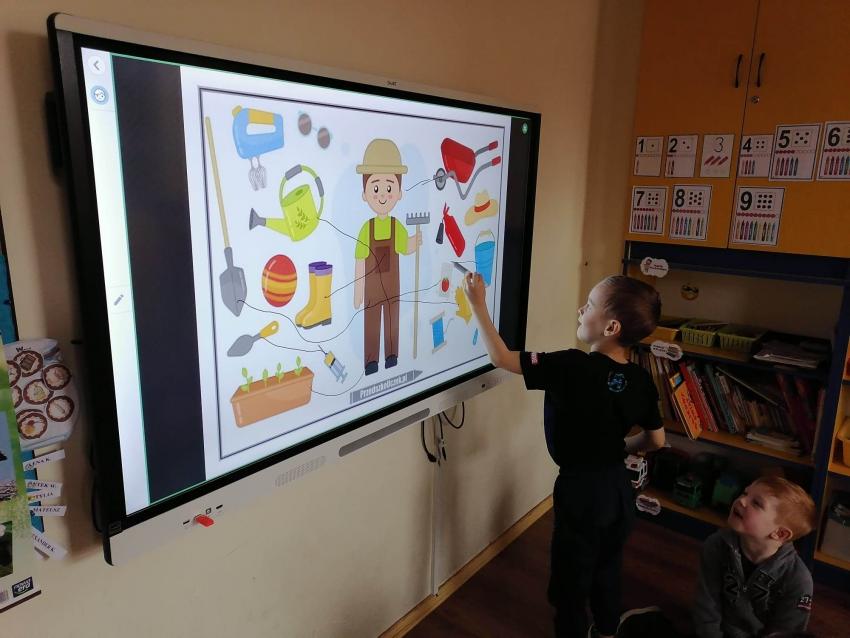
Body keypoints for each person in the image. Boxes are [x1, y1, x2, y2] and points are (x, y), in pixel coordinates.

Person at [463, 273, 665, 638]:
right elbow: (656, 440)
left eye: (589, 305)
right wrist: (618, 449)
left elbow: (501, 357)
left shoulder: (572, 365)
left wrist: (477, 303)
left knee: (570, 583)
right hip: (619, 491)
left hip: (581, 493)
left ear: (611, 327)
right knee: (607, 567)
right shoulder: (641, 379)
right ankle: (606, 631)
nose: (580, 309)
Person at [693, 476, 817, 638]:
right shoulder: (716, 545)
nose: (741, 500)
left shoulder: (798, 580)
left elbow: (786, 632)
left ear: (780, 533)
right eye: (745, 493)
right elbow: (706, 603)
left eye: (757, 503)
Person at [353, 139, 421, 376]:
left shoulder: (396, 226)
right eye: (375, 188)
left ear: (399, 192)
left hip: (392, 289)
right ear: (365, 194)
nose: (382, 194)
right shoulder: (366, 229)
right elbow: (359, 261)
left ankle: (392, 356)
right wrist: (358, 292)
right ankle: (371, 361)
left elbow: (405, 247)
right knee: (371, 324)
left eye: (389, 188)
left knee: (392, 321)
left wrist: (415, 241)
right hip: (372, 292)